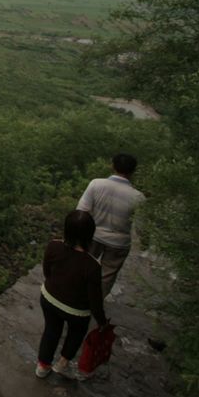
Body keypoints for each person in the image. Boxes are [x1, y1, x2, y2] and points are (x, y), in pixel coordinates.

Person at [35, 210, 107, 380]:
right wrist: (101, 321)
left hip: (49, 298)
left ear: (66, 229)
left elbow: (47, 271)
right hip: (76, 311)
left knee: (51, 331)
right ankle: (62, 364)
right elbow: (94, 299)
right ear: (91, 234)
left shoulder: (54, 246)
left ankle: (42, 367)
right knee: (76, 334)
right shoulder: (92, 265)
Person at [77, 153, 145, 297]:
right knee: (106, 276)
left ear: (112, 165)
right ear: (133, 171)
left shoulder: (96, 184)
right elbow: (141, 228)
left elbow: (82, 211)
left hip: (93, 235)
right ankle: (94, 304)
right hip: (119, 243)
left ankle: (75, 297)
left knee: (82, 267)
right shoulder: (138, 197)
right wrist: (144, 243)